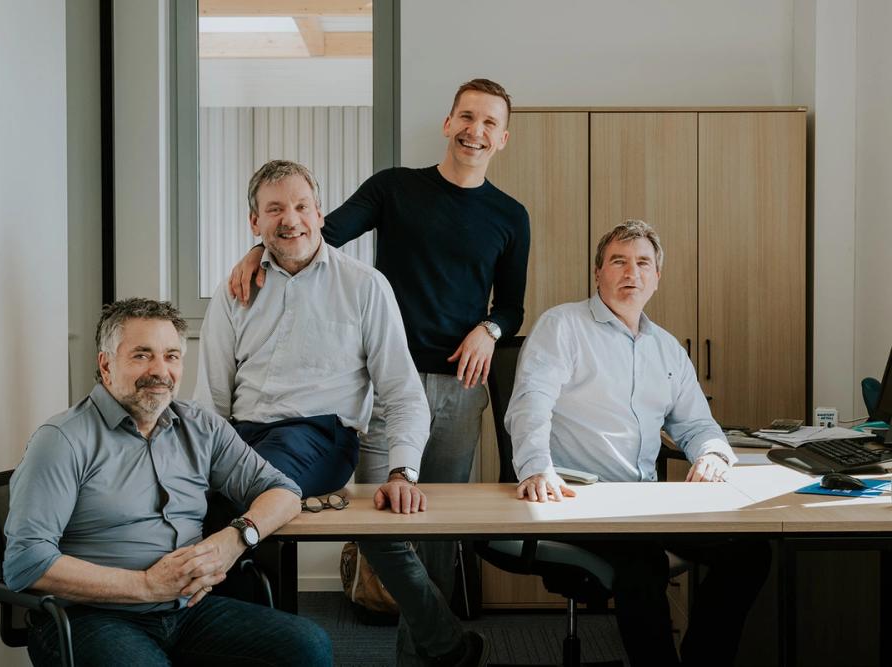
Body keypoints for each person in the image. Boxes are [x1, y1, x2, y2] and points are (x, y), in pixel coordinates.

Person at [227, 78, 531, 621]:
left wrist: (489, 330)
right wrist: (258, 248)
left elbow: (511, 307)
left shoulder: (510, 215)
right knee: (380, 523)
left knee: (439, 525)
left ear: (502, 138)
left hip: (459, 386)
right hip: (386, 387)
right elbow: (319, 232)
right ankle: (387, 621)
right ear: (448, 123)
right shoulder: (395, 187)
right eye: (466, 117)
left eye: (489, 122)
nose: (475, 130)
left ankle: (433, 637)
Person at [194, 160, 488, 667]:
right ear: (254, 222)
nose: (291, 219)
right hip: (242, 435)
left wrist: (402, 471)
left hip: (320, 436)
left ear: (319, 213)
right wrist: (193, 466)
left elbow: (403, 392)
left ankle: (253, 644)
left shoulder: (364, 286)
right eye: (274, 209)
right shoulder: (235, 290)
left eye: (301, 206)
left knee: (240, 496)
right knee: (184, 496)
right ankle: (447, 645)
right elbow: (212, 399)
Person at [3, 298, 331, 667]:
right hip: (90, 616)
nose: (160, 370)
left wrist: (234, 539)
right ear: (106, 365)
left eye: (171, 356)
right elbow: (26, 561)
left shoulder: (201, 426)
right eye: (142, 355)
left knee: (308, 645)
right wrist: (146, 585)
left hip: (188, 610)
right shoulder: (62, 440)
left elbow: (284, 492)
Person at [505, 220, 771, 667]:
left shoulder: (667, 349)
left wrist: (712, 452)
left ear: (657, 276)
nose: (632, 272)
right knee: (644, 562)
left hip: (644, 503)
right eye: (619, 261)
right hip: (575, 498)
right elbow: (531, 404)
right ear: (598, 272)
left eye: (643, 263)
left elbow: (697, 424)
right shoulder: (563, 326)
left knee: (749, 552)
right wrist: (535, 467)